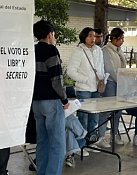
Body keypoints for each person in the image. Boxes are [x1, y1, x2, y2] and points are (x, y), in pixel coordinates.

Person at [32, 20, 69, 175]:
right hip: (52, 102)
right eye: (53, 34)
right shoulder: (51, 50)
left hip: (36, 102)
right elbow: (56, 80)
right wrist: (64, 99)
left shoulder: (32, 50)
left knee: (42, 142)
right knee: (57, 144)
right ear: (49, 35)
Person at [67, 27, 105, 150]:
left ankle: (91, 143)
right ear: (83, 37)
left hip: (96, 89)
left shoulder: (98, 50)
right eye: (89, 35)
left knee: (94, 118)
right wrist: (86, 79)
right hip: (84, 90)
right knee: (83, 118)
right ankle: (81, 146)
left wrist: (102, 78)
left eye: (94, 36)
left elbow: (101, 67)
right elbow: (71, 71)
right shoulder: (79, 51)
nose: (92, 38)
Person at [101, 27, 127, 146]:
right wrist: (120, 81)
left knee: (118, 111)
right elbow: (110, 69)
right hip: (111, 82)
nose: (122, 41)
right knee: (107, 110)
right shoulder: (106, 50)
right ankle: (101, 136)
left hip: (120, 82)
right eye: (121, 38)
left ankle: (114, 134)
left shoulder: (119, 50)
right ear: (114, 38)